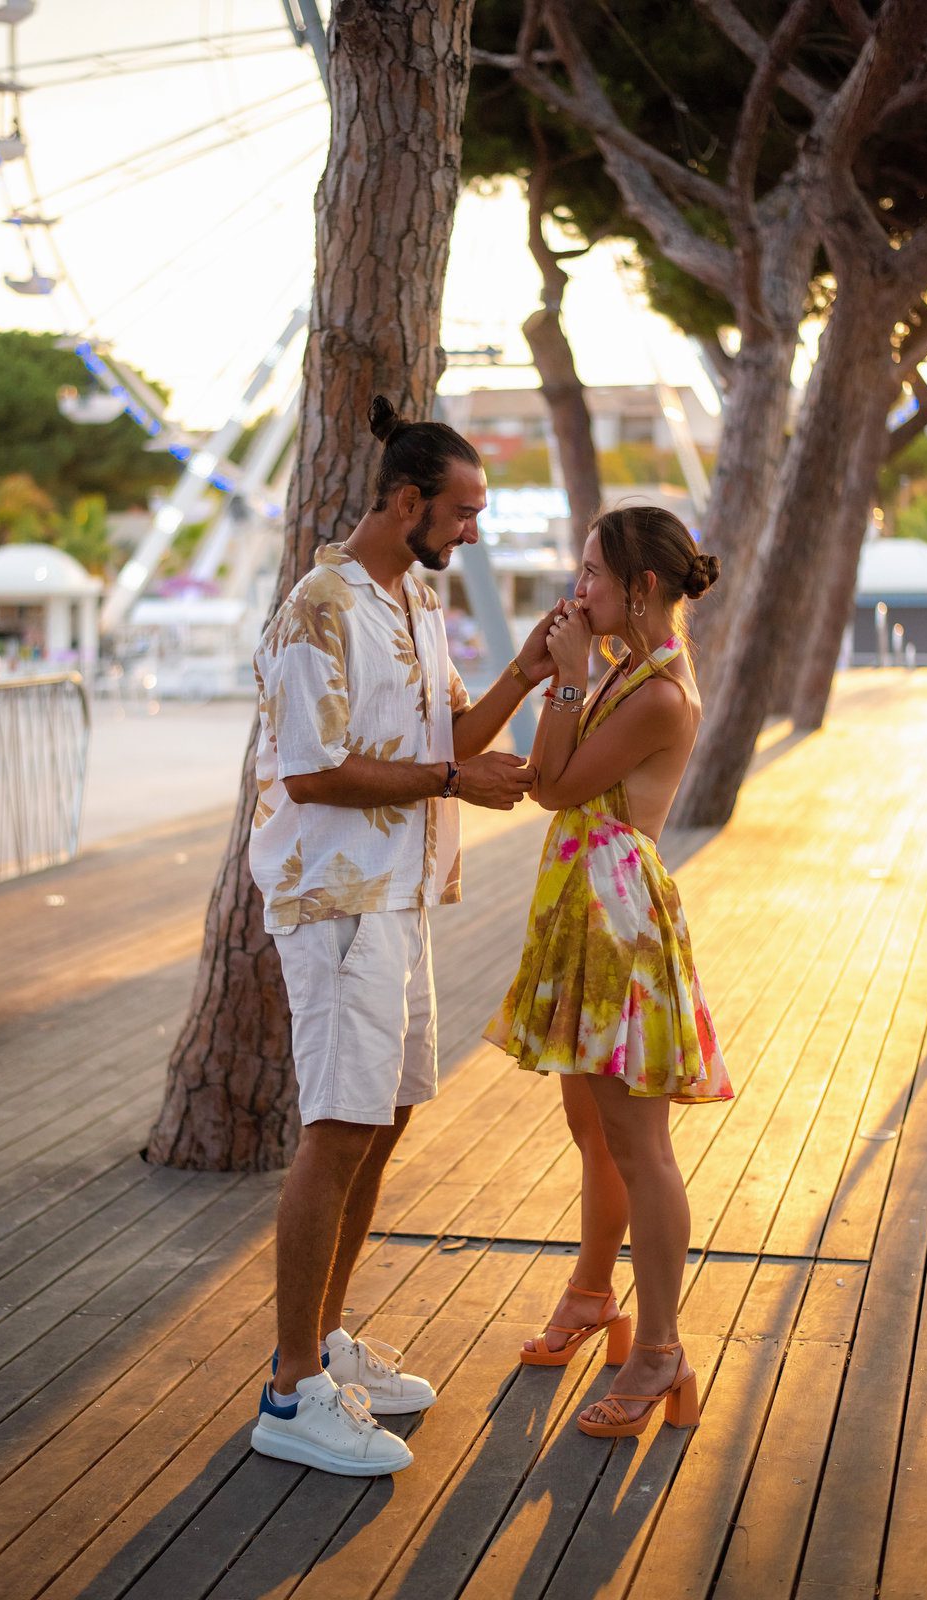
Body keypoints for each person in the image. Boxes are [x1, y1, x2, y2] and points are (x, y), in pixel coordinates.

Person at [249, 395, 559, 1476]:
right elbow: (310, 771)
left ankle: (325, 1343)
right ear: (404, 500)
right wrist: (450, 779)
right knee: (339, 1125)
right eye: (464, 510)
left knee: (388, 1117)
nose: (473, 528)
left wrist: (524, 673)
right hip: (335, 901)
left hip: (399, 894)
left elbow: (453, 735)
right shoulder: (319, 609)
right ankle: (290, 1393)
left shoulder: (413, 601)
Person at [485, 504, 733, 1441]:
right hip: (583, 911)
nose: (574, 587)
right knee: (592, 1128)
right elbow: (550, 777)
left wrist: (565, 681)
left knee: (641, 1144)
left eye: (591, 573)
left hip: (620, 922)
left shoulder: (659, 691)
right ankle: (595, 1294)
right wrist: (560, 678)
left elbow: (552, 785)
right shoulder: (623, 670)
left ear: (638, 590)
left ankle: (661, 1347)